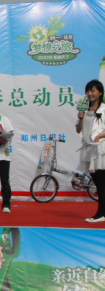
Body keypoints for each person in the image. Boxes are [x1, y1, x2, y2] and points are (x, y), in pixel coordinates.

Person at [76, 79, 105, 223]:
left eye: (93, 90)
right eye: (88, 90)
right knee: (98, 183)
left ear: (100, 93)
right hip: (89, 149)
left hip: (101, 150)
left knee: (101, 183)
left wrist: (100, 136)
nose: (90, 93)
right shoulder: (85, 109)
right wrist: (80, 118)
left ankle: (101, 214)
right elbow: (78, 130)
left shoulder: (104, 109)